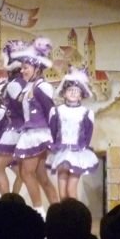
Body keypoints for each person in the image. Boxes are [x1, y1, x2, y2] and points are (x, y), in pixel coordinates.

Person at [12, 38, 59, 218]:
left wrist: (54, 137)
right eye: (22, 68)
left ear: (37, 68)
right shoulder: (30, 87)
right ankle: (57, 213)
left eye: (26, 67)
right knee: (41, 177)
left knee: (26, 172)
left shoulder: (41, 87)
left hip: (38, 133)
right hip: (31, 132)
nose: (22, 71)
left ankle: (40, 213)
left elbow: (51, 111)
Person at [49, 67, 98, 200]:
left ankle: (74, 212)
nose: (73, 93)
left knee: (71, 190)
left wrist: (81, 148)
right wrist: (56, 147)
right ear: (64, 93)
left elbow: (88, 134)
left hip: (77, 153)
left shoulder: (86, 113)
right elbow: (53, 130)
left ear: (81, 95)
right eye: (70, 90)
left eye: (76, 91)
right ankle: (63, 212)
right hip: (61, 152)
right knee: (62, 192)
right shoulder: (57, 111)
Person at [0, 40, 27, 197]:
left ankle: (8, 202)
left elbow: (22, 107)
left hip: (15, 131)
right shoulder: (23, 83)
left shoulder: (14, 84)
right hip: (20, 131)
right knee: (22, 173)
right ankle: (11, 201)